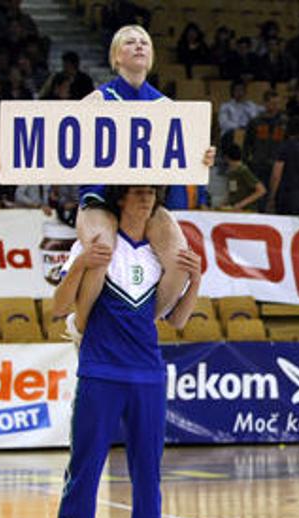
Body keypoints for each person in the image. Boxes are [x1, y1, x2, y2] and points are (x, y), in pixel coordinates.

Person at [48, 185, 203, 518]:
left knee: (148, 474)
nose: (146, 199)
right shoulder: (97, 245)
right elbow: (58, 308)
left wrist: (195, 279)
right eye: (138, 193)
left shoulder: (159, 255)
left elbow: (178, 321)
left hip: (148, 375)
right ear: (120, 199)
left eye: (151, 193)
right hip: (100, 372)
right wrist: (81, 265)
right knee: (84, 472)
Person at [74, 25, 215, 337]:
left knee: (181, 261)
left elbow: (183, 160)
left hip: (145, 200)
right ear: (116, 57)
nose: (139, 46)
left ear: (152, 56)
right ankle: (81, 326)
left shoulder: (167, 108)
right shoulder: (97, 100)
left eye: (144, 42)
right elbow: (53, 146)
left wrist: (201, 157)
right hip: (101, 198)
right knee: (101, 252)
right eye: (130, 42)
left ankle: (140, 325)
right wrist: (13, 160)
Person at [222, 144, 266, 211]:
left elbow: (261, 190)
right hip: (234, 208)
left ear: (226, 157)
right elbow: (233, 190)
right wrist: (226, 202)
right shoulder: (232, 172)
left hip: (247, 210)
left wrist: (241, 204)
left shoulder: (243, 170)